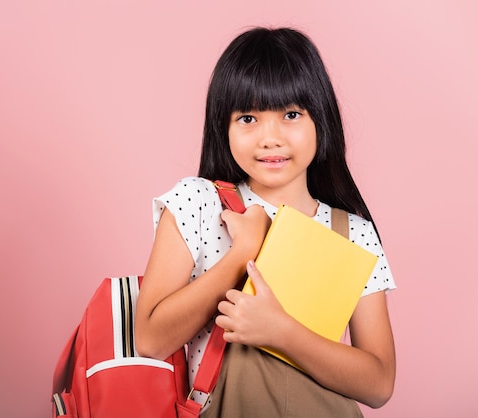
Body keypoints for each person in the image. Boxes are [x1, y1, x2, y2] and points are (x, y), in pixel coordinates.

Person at [134, 27, 396, 416]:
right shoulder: (199, 203)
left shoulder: (353, 233)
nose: (269, 138)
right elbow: (151, 340)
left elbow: (379, 384)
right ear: (223, 126)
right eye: (248, 118)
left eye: (291, 114)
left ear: (320, 121)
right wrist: (242, 253)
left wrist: (282, 333)